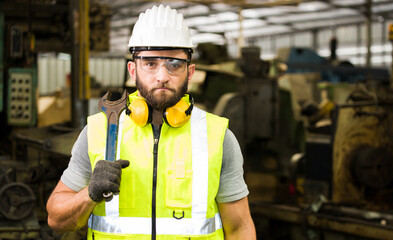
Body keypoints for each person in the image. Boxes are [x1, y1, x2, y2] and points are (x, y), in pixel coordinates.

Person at [46, 4, 256, 240]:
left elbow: (239, 230)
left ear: (190, 71)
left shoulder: (217, 137)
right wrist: (89, 195)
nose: (162, 76)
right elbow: (56, 219)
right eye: (150, 63)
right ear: (133, 70)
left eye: (174, 64)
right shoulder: (98, 132)